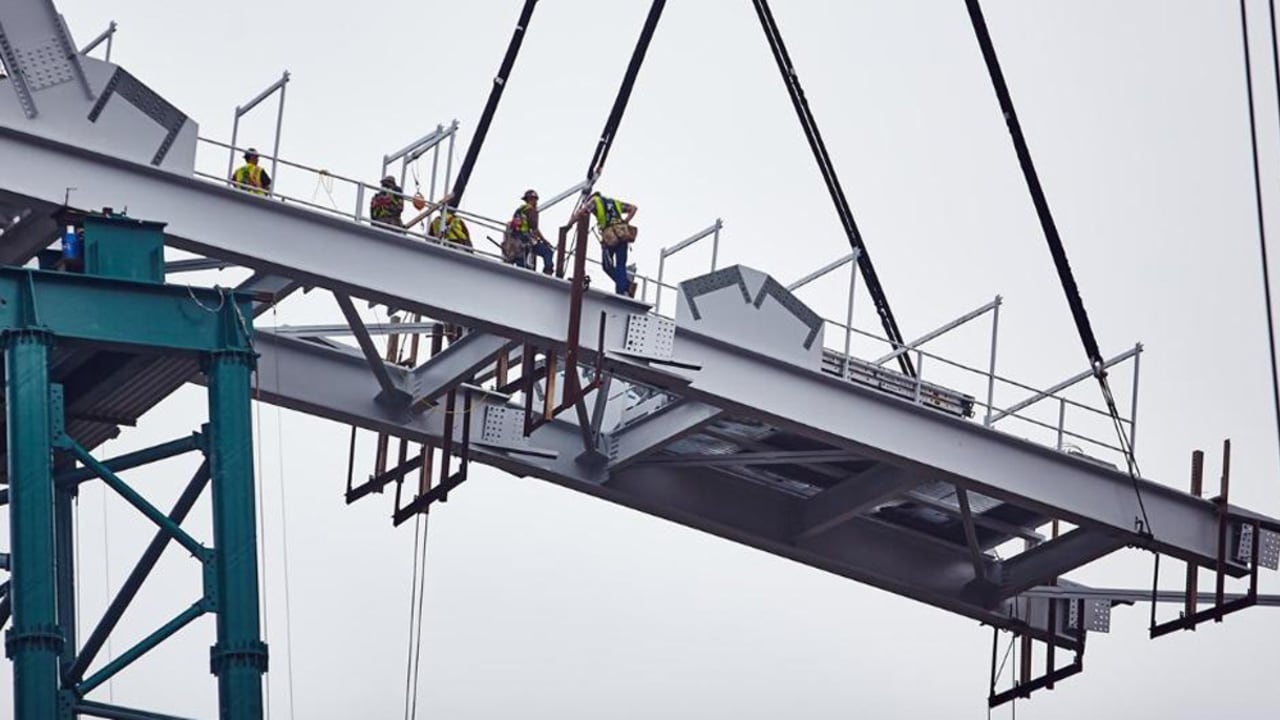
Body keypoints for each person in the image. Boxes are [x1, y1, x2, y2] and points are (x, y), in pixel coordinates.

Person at [571, 191, 637, 295]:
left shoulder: (594, 201)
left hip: (610, 236)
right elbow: (633, 208)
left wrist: (569, 225)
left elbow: (581, 213)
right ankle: (625, 287)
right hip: (622, 234)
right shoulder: (615, 202)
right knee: (621, 264)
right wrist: (625, 221)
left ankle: (624, 287)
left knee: (607, 266)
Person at [507, 189, 554, 274]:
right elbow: (534, 229)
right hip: (526, 240)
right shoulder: (531, 210)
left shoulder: (519, 210)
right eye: (535, 200)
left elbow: (515, 226)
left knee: (521, 261)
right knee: (548, 252)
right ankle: (548, 272)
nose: (536, 202)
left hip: (516, 241)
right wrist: (545, 241)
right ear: (532, 199)